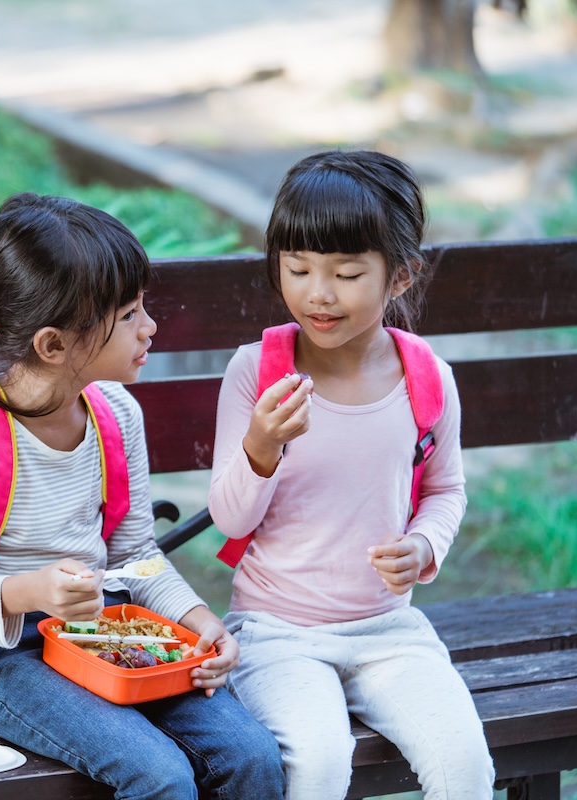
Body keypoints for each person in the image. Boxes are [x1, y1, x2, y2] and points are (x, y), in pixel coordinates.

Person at [0, 193, 285, 800]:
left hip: (102, 630)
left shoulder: (115, 416)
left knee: (251, 757)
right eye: (129, 314)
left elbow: (137, 555)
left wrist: (196, 621)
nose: (149, 326)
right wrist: (29, 591)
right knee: (160, 776)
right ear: (54, 346)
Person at [207, 150, 495, 799]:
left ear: (400, 277)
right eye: (299, 268)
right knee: (317, 762)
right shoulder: (257, 373)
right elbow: (229, 518)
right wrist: (259, 447)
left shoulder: (428, 379)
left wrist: (425, 545)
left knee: (464, 768)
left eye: (345, 272)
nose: (319, 293)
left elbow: (446, 489)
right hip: (276, 630)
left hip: (388, 628)